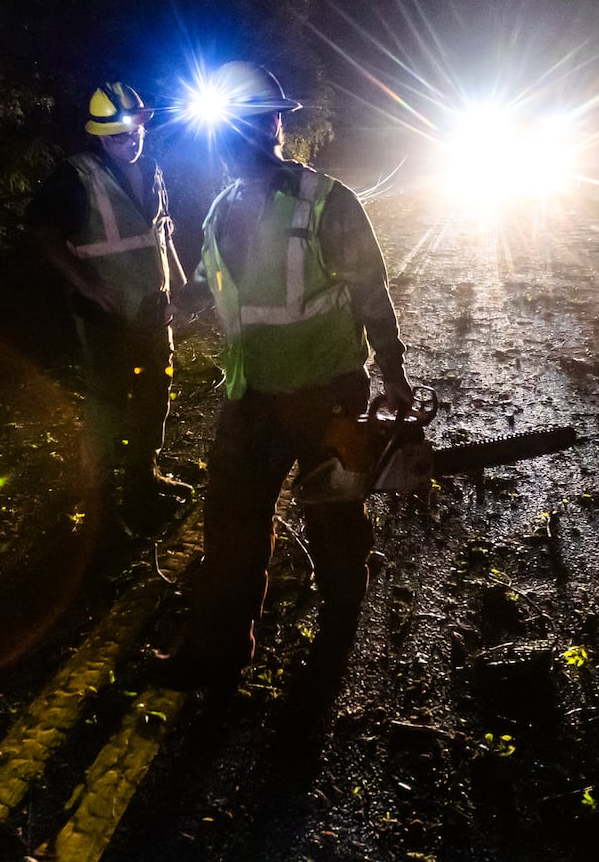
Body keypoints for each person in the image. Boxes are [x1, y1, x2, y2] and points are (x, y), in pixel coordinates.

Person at [152, 61, 413, 690]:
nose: (233, 141)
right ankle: (216, 653)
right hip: (249, 397)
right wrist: (174, 306)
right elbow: (211, 284)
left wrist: (392, 371)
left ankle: (339, 635)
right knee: (231, 526)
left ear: (274, 125)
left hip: (325, 395)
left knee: (334, 519)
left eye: (247, 125)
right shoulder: (218, 212)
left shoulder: (326, 202)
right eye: (224, 131)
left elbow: (370, 291)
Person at [25, 81, 194, 532]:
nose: (132, 140)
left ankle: (144, 479)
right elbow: (43, 231)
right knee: (107, 404)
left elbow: (162, 232)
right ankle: (99, 510)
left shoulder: (151, 167)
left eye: (136, 129)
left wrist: (179, 287)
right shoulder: (75, 176)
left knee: (155, 392)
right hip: (106, 318)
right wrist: (83, 282)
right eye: (120, 134)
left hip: (153, 311)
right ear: (99, 135)